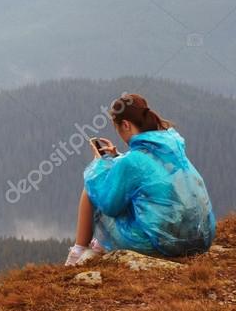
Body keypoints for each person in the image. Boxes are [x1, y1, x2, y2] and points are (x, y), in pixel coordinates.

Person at [65, 92, 215, 266]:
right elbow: (153, 170)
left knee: (92, 187)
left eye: (117, 128)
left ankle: (78, 252)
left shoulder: (132, 161)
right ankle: (96, 246)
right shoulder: (170, 145)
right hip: (201, 239)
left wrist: (100, 164)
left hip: (161, 244)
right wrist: (117, 157)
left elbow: (108, 205)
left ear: (126, 125)